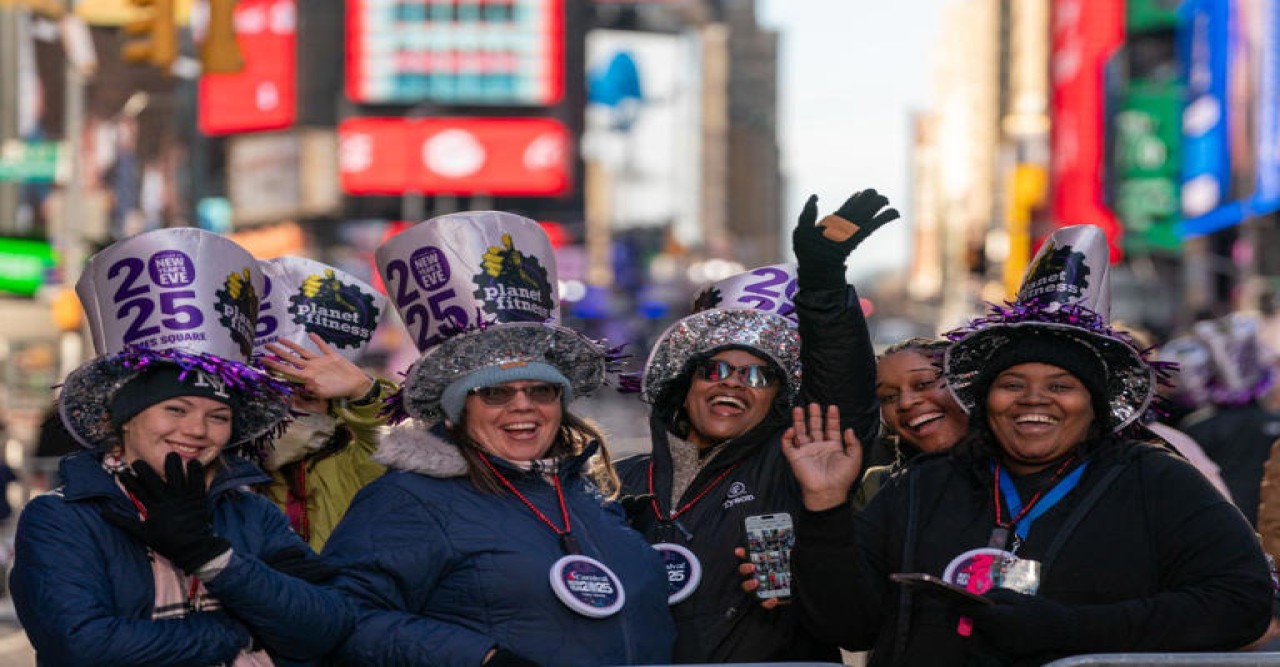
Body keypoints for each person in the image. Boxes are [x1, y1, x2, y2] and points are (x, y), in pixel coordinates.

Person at [773, 225, 1273, 666]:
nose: (1034, 400)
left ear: (1094, 405)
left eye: (1061, 385)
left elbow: (1240, 604)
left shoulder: (1158, 481)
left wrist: (1073, 630)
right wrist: (824, 510)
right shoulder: (925, 486)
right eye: (1012, 383)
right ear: (985, 399)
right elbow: (847, 625)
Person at [322, 212, 674, 667]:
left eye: (541, 390)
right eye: (496, 393)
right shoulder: (406, 500)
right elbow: (343, 618)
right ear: (458, 409)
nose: (523, 405)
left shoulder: (588, 495)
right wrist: (480, 658)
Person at [11, 228, 353, 666]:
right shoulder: (63, 517)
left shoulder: (248, 512)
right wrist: (241, 630)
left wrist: (212, 557)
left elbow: (329, 624)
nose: (196, 430)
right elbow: (83, 647)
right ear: (126, 418)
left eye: (218, 417)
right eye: (175, 409)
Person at [618, 189, 891, 662]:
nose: (736, 384)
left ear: (777, 401)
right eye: (717, 369)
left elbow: (841, 405)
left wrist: (824, 283)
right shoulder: (617, 482)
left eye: (760, 375)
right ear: (687, 383)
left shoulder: (794, 468)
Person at [255, 256, 394, 552]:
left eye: (307, 396)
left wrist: (362, 390)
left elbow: (401, 442)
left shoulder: (354, 462)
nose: (288, 410)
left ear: (332, 408)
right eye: (272, 395)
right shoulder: (218, 468)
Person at [852, 337, 969, 510]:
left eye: (924, 384)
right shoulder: (876, 488)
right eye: (889, 397)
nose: (905, 403)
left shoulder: (1017, 470)